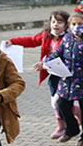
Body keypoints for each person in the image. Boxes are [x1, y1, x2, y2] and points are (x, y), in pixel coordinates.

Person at [44, 11, 83, 146]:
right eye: (73, 24)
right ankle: (72, 128)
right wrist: (47, 61)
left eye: (79, 24)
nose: (76, 27)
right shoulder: (67, 38)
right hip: (67, 80)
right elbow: (58, 53)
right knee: (61, 104)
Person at [7, 10, 72, 139]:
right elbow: (31, 40)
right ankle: (67, 120)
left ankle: (63, 126)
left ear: (66, 24)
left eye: (60, 22)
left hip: (66, 73)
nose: (55, 25)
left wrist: (44, 64)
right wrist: (13, 41)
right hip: (52, 73)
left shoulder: (68, 38)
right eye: (53, 21)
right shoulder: (46, 36)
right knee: (55, 101)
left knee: (58, 101)